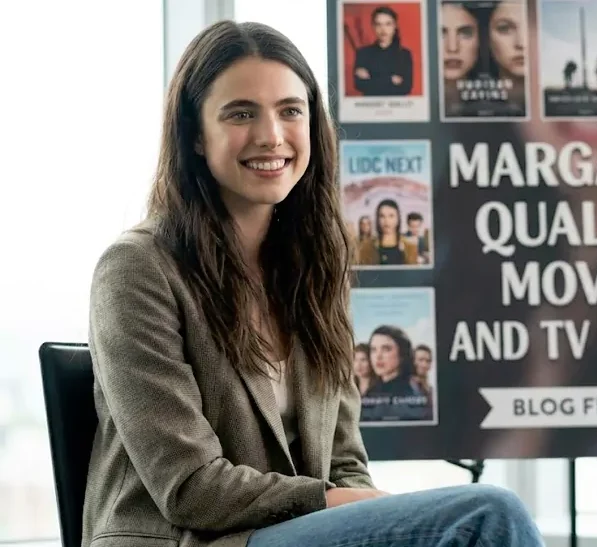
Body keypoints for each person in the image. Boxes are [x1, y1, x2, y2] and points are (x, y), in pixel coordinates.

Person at [84, 19, 543, 547]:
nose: (271, 135)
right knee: (488, 515)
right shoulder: (137, 269)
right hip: (194, 539)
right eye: (241, 113)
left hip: (293, 533)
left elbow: (345, 462)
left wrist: (361, 508)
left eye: (290, 111)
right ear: (194, 136)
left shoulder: (314, 268)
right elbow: (190, 488)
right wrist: (333, 502)